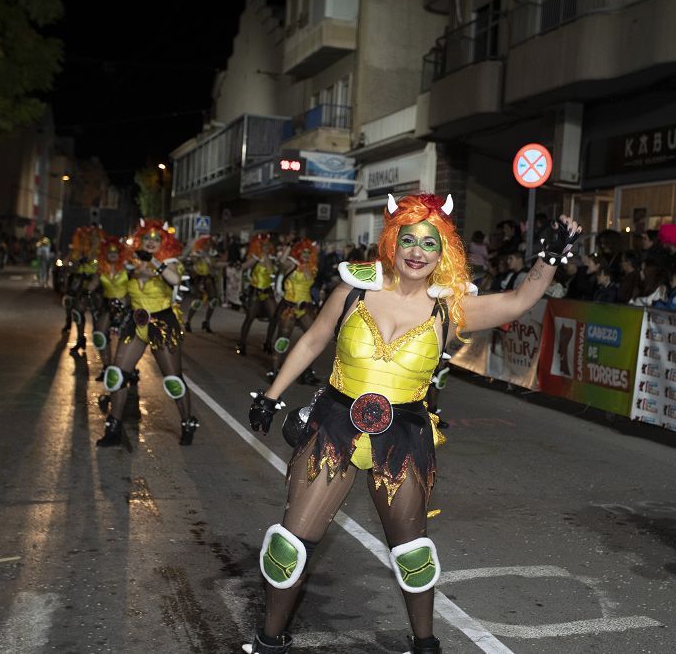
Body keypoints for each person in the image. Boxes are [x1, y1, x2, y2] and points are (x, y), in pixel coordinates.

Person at [244, 193, 580, 654]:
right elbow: (313, 340)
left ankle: (425, 645)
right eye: (408, 240)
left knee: (412, 552)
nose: (417, 251)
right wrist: (270, 396)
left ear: (444, 252)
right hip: (335, 424)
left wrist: (548, 259)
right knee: (290, 546)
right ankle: (269, 640)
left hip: (403, 435)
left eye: (429, 242)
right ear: (392, 242)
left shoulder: (450, 308)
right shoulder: (353, 291)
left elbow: (520, 300)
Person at [97, 220, 200, 447]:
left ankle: (187, 421)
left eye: (156, 239)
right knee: (117, 375)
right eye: (147, 239)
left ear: (163, 242)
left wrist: (153, 260)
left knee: (173, 380)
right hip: (135, 322)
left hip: (162, 323)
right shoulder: (131, 264)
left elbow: (174, 280)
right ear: (140, 241)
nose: (151, 242)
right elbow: (124, 293)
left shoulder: (169, 263)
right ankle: (113, 427)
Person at [267, 238, 321, 385]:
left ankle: (306, 372)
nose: (306, 256)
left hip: (305, 307)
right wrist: (289, 246)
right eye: (303, 252)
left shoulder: (311, 268)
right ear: (298, 252)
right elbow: (281, 263)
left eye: (309, 253)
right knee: (283, 339)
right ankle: (274, 370)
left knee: (314, 339)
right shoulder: (292, 264)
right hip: (290, 307)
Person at [90, 236, 130, 389]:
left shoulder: (128, 268)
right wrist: (86, 292)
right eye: (109, 252)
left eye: (116, 252)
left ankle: (124, 368)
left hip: (125, 306)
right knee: (100, 334)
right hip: (107, 305)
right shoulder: (101, 269)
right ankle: (106, 366)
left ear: (120, 254)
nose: (112, 255)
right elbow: (93, 285)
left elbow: (134, 286)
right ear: (105, 254)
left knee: (125, 338)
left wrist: (127, 300)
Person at [64, 225, 103, 354]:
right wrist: (77, 261)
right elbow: (68, 267)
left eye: (94, 236)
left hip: (97, 287)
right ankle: (81, 339)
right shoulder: (80, 251)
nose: (91, 239)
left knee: (98, 317)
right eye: (89, 236)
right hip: (81, 285)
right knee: (77, 313)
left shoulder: (103, 252)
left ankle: (102, 345)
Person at [237, 234, 279, 355]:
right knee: (250, 317)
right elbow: (244, 267)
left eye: (267, 245)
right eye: (263, 245)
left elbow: (271, 270)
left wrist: (266, 257)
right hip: (255, 291)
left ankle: (268, 343)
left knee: (274, 317)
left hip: (267, 291)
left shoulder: (271, 258)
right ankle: (242, 343)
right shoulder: (255, 257)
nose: (265, 247)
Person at [182, 235, 219, 333]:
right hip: (199, 278)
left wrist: (229, 264)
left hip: (209, 278)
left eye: (209, 244)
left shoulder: (212, 254)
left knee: (214, 300)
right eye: (206, 243)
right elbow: (192, 260)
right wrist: (199, 257)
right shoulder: (197, 253)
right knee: (198, 300)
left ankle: (207, 322)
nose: (208, 245)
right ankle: (188, 322)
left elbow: (215, 265)